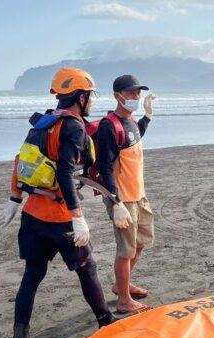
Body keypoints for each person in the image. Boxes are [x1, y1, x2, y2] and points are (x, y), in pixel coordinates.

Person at [0, 67, 115, 338]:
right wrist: (78, 216)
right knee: (87, 269)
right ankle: (107, 325)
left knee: (32, 275)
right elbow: (63, 170)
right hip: (60, 217)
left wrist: (15, 198)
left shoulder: (43, 121)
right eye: (90, 95)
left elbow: (21, 159)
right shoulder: (73, 126)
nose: (91, 101)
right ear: (81, 96)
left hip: (32, 215)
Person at [95, 75, 156, 314]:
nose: (135, 97)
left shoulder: (130, 122)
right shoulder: (109, 126)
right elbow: (104, 167)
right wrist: (116, 202)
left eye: (138, 93)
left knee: (140, 243)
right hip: (122, 199)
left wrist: (148, 117)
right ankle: (124, 301)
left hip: (139, 195)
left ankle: (122, 285)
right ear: (117, 95)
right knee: (126, 249)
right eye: (130, 93)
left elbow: (135, 134)